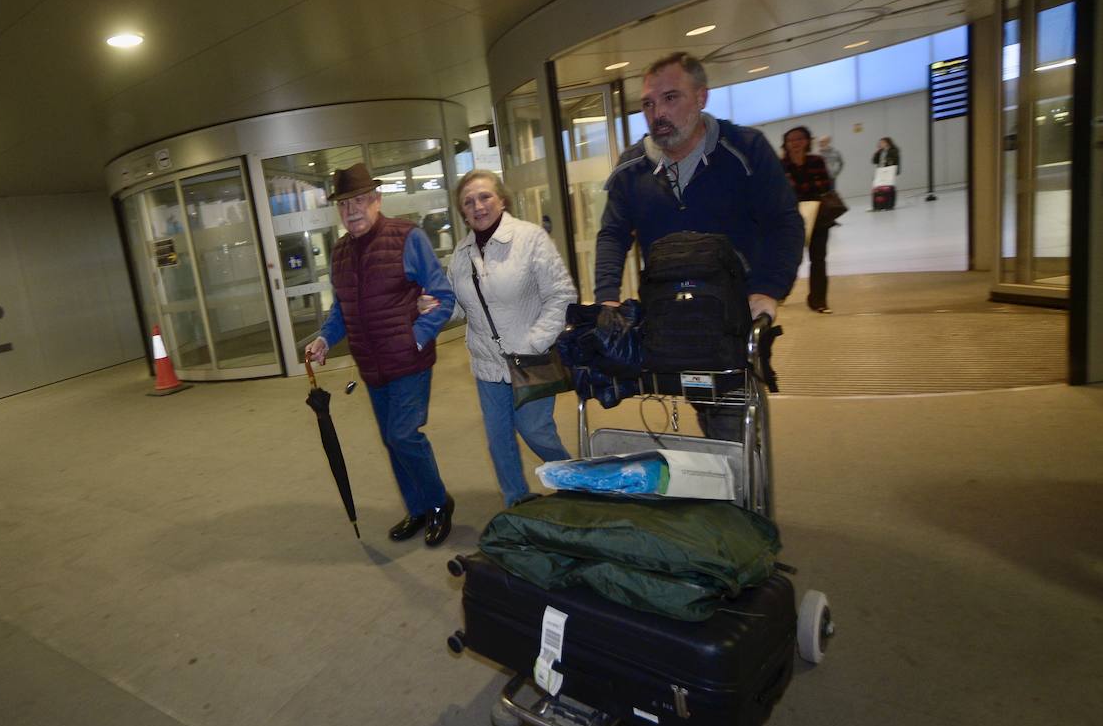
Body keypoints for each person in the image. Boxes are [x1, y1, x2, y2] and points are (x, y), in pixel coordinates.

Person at [594, 52, 804, 439]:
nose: (658, 112)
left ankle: (736, 493)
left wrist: (768, 290)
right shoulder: (632, 168)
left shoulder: (745, 150)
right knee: (687, 435)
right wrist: (606, 297)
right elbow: (612, 234)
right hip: (667, 322)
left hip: (732, 321)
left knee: (732, 435)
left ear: (702, 97)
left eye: (671, 98)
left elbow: (784, 223)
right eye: (648, 103)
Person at [304, 163, 458, 546]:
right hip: (371, 367)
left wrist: (416, 337)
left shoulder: (408, 237)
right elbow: (342, 309)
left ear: (376, 200)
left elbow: (443, 296)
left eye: (359, 200)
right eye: (344, 204)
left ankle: (439, 503)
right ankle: (417, 508)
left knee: (404, 435)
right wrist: (325, 338)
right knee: (392, 440)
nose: (351, 210)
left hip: (408, 361)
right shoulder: (340, 252)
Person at [446, 170, 577, 507]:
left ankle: (578, 485)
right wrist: (431, 306)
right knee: (498, 440)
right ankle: (516, 499)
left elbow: (562, 295)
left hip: (531, 359)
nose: (478, 206)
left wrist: (535, 342)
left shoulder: (530, 238)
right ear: (462, 212)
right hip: (487, 363)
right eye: (468, 202)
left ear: (501, 199)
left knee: (536, 431)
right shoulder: (461, 254)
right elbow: (459, 308)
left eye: (485, 196)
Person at [781, 126, 835, 314]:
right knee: (787, 259)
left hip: (818, 216)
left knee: (818, 259)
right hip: (790, 218)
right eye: (791, 140)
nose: (795, 143)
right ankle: (780, 292)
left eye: (799, 139)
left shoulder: (816, 161)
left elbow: (826, 185)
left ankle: (818, 300)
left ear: (807, 141)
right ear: (785, 144)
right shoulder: (780, 165)